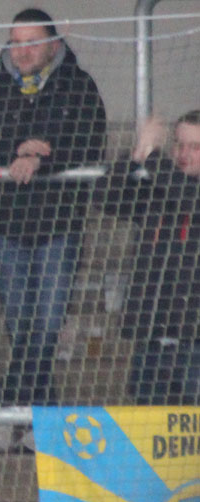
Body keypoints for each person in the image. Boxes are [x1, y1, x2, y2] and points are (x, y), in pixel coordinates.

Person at [0, 8, 106, 447]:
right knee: (21, 328)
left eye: (32, 42)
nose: (21, 51)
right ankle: (43, 415)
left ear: (54, 45)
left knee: (45, 326)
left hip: (60, 225)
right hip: (7, 226)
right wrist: (17, 149)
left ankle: (9, 401)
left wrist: (47, 154)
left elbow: (91, 140)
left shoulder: (78, 86)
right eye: (15, 41)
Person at [94, 111, 200, 405]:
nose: (184, 154)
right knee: (150, 418)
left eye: (195, 147)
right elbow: (104, 196)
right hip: (153, 333)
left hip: (194, 338)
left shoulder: (174, 187)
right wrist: (136, 156)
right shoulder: (158, 191)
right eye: (178, 145)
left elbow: (189, 199)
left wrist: (153, 158)